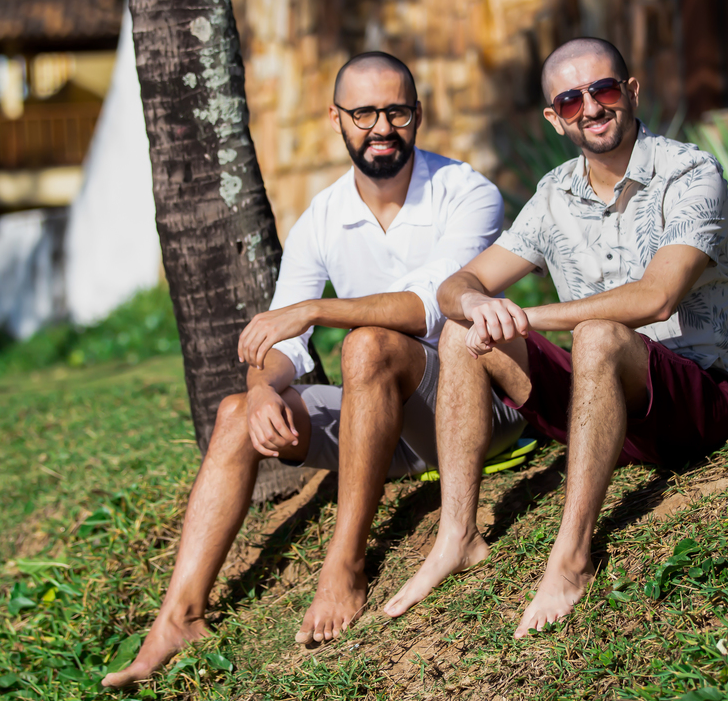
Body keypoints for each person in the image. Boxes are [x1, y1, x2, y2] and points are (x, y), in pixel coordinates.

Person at [103, 52, 523, 687]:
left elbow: (428, 307)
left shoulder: (467, 193)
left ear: (418, 115)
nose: (381, 127)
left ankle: (345, 563)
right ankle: (178, 617)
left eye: (396, 111)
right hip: (389, 423)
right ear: (337, 118)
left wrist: (317, 309)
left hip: (477, 412)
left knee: (368, 343)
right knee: (235, 414)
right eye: (363, 113)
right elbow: (283, 341)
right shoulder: (323, 217)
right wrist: (261, 386)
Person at [382, 37, 728, 637]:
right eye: (572, 100)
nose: (594, 107)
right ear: (557, 118)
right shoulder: (554, 193)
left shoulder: (689, 172)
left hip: (701, 401)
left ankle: (572, 557)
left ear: (631, 92)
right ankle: (457, 534)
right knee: (462, 332)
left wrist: (526, 316)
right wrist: (479, 302)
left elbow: (655, 298)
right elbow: (458, 284)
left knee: (599, 336)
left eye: (605, 90)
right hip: (604, 409)